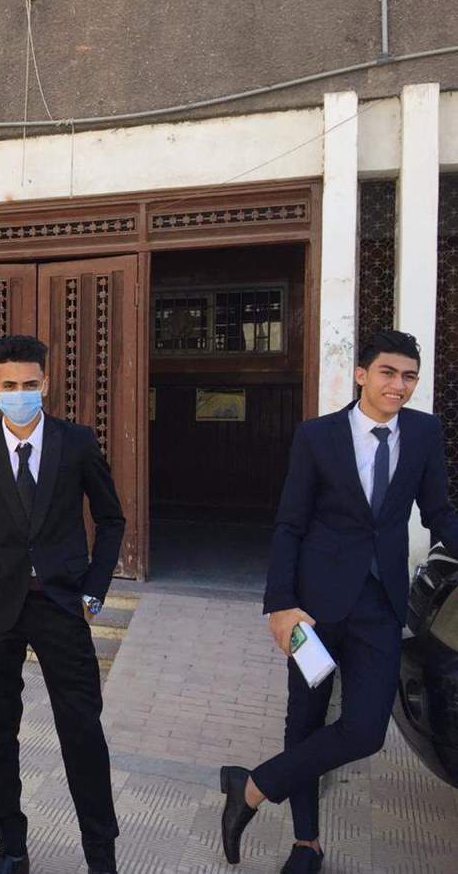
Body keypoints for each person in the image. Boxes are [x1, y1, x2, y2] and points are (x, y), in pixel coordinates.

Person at [220, 330, 458, 873]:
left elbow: (439, 512)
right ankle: (306, 844)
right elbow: (290, 523)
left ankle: (251, 787)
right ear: (361, 374)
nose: (399, 385)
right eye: (388, 373)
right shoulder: (317, 436)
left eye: (409, 376)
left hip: (381, 604)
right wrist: (280, 604)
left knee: (366, 730)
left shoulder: (424, 433)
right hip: (314, 605)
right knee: (303, 721)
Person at [0, 334, 124, 874]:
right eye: (10, 386)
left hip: (61, 606)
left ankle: (101, 855)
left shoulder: (77, 443)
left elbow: (112, 519)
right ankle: (11, 848)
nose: (21, 394)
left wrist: (93, 591)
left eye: (30, 384)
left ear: (46, 384)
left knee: (83, 732)